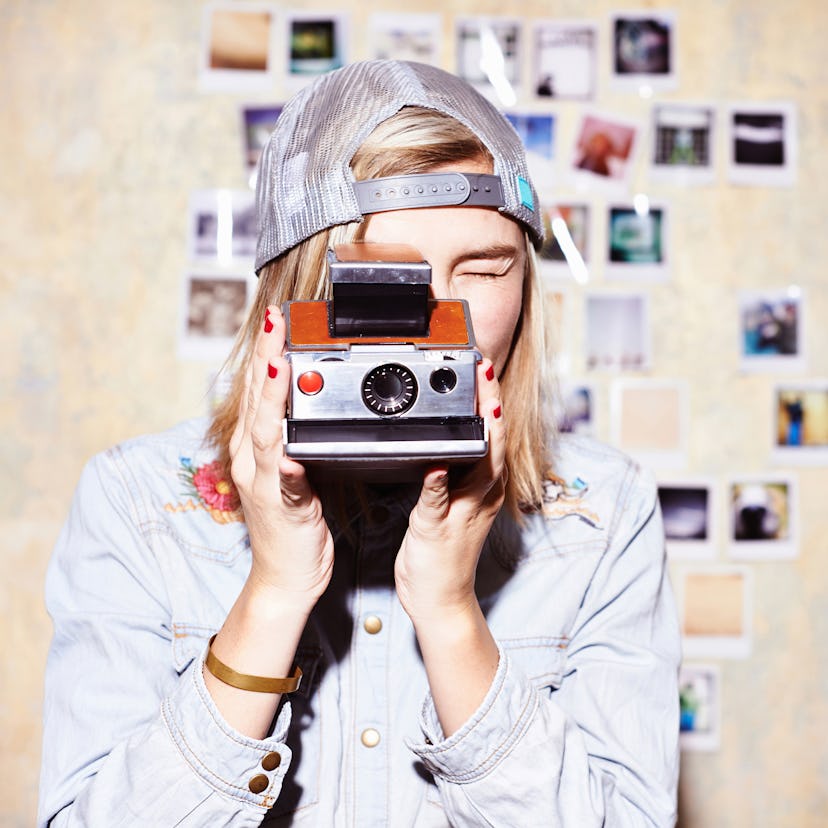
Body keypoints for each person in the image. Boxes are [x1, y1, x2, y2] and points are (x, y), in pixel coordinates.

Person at [39, 60, 680, 826]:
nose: (445, 319)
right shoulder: (138, 504)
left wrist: (450, 616)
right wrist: (272, 596)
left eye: (481, 270)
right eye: (388, 279)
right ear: (297, 294)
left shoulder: (601, 516)